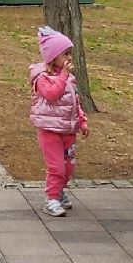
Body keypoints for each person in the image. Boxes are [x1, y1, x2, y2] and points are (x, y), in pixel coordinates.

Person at [29, 27, 87, 215]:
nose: (69, 58)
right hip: (50, 130)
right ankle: (51, 199)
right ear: (53, 57)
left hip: (67, 130)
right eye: (65, 54)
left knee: (68, 167)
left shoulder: (69, 79)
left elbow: (74, 102)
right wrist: (62, 76)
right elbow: (52, 95)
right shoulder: (41, 78)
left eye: (70, 53)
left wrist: (82, 121)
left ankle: (59, 192)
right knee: (56, 167)